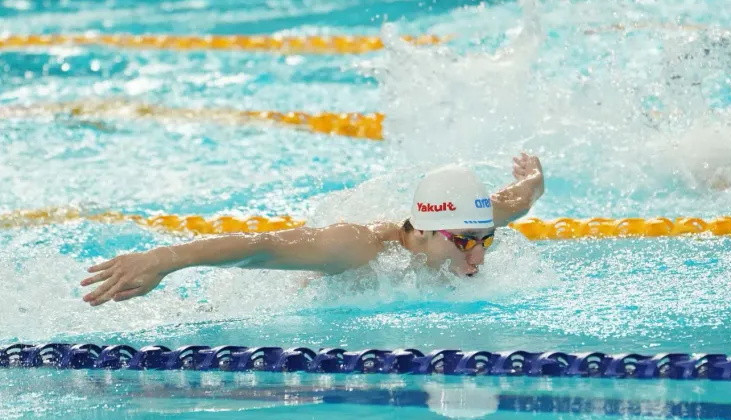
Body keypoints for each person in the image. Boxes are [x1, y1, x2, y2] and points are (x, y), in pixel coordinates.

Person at [81, 152, 544, 306]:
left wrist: (532, 177)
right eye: (465, 242)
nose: (478, 257)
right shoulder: (357, 248)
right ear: (422, 231)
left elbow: (518, 198)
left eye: (485, 240)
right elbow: (261, 247)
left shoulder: (475, 219)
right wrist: (160, 260)